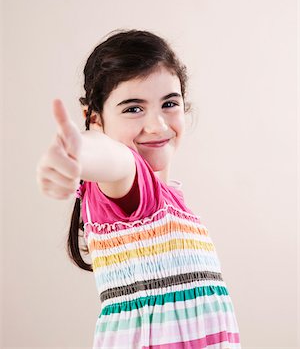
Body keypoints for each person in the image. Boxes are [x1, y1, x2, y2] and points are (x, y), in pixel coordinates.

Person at [36, 29, 241, 348]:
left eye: (169, 103)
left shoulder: (171, 202)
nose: (157, 125)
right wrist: (77, 152)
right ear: (95, 119)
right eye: (133, 108)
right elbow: (115, 160)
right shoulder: (131, 192)